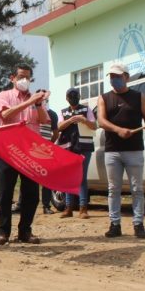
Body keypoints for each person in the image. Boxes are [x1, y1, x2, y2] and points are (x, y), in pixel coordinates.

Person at [97, 63, 145, 239]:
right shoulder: (104, 98)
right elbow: (101, 121)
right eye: (111, 77)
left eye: (117, 76)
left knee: (137, 189)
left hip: (134, 150)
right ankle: (115, 224)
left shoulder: (138, 97)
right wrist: (118, 130)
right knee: (114, 189)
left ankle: (139, 224)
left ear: (126, 77)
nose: (114, 80)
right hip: (112, 151)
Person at [0, 65, 51, 245]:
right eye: (20, 77)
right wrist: (28, 102)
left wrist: (38, 103)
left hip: (30, 152)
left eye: (27, 77)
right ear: (13, 78)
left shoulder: (36, 99)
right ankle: (3, 232)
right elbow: (5, 114)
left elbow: (44, 121)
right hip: (9, 150)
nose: (24, 80)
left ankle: (25, 231)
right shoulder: (5, 96)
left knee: (31, 194)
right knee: (5, 192)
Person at [57, 87, 97, 219]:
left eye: (75, 95)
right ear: (67, 98)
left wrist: (83, 120)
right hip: (68, 148)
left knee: (81, 178)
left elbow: (94, 126)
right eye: (70, 95)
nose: (73, 97)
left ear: (79, 96)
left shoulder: (86, 110)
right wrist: (70, 120)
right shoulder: (63, 112)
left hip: (84, 147)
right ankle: (68, 208)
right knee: (69, 178)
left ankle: (83, 208)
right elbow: (59, 127)